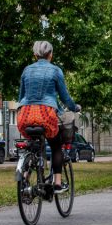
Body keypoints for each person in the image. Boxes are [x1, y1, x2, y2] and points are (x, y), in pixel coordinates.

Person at [17, 40, 80, 191]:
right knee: (56, 146)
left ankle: (25, 177)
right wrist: (75, 107)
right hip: (46, 114)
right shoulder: (55, 71)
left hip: (25, 114)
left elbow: (21, 96)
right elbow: (65, 97)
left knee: (33, 145)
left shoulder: (26, 70)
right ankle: (57, 183)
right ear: (50, 54)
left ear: (35, 55)